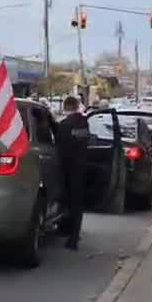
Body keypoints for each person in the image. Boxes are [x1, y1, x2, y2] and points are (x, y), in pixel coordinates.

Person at [55, 95, 91, 250]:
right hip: (81, 167)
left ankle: (67, 232)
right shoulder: (84, 123)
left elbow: (59, 147)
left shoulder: (64, 125)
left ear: (65, 107)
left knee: (67, 201)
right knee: (77, 203)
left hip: (66, 168)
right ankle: (74, 235)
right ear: (76, 106)